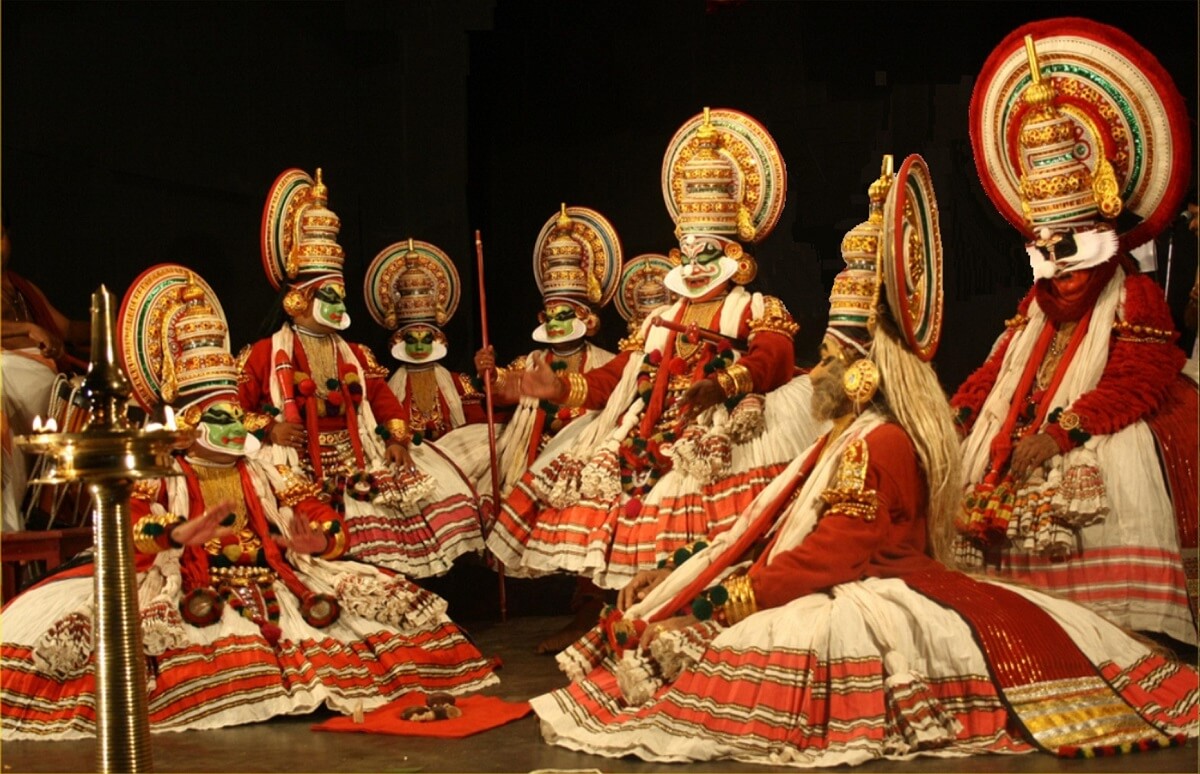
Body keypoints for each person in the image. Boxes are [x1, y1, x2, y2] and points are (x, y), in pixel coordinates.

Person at [530, 154, 1198, 767]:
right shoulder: (844, 438)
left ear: (863, 372)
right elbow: (772, 525)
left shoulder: (877, 443)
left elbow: (832, 554)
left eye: (830, 357)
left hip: (869, 587)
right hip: (835, 576)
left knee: (756, 653)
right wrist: (689, 569)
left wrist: (720, 604)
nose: (816, 371)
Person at [0, 264, 496, 739]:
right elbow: (128, 532)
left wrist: (321, 539)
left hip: (277, 574)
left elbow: (319, 515)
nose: (238, 427)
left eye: (238, 416)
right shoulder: (163, 475)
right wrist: (174, 534)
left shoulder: (266, 468)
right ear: (189, 424)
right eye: (224, 418)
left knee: (381, 626)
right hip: (192, 578)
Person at [485, 109, 818, 595]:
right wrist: (557, 388)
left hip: (723, 430)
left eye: (708, 253)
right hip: (652, 432)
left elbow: (774, 358)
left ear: (735, 256)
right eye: (688, 253)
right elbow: (614, 380)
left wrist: (723, 384)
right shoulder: (658, 322)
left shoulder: (757, 307)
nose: (695, 265)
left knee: (726, 539)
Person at [956, 20, 1197, 647]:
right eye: (1044, 249)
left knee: (1118, 460)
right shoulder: (1034, 304)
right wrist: (961, 412)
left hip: (1091, 422)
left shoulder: (1132, 294)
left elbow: (1137, 379)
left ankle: (1115, 625)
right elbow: (1000, 367)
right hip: (1025, 422)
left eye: (1067, 247)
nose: (1057, 265)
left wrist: (1062, 434)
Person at [238, 168, 483, 579]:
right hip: (293, 466)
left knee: (405, 512)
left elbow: (385, 405)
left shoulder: (356, 355)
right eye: (329, 296)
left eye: (341, 296)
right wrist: (270, 429)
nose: (339, 304)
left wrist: (397, 440)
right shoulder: (263, 354)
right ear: (298, 300)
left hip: (357, 457)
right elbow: (233, 413)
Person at [459, 204, 621, 505]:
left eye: (563, 315)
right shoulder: (532, 361)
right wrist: (490, 374)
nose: (554, 323)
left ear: (585, 318)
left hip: (588, 456)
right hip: (535, 456)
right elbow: (505, 390)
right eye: (549, 316)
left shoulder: (607, 362)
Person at [1, 217, 91, 531]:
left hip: (49, 394)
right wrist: (27, 328)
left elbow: (67, 330)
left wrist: (115, 325)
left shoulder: (23, 288)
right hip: (10, 388)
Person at [365, 238, 488, 443]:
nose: (420, 346)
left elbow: (477, 430)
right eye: (412, 340)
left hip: (454, 453)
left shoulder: (459, 383)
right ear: (400, 341)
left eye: (426, 339)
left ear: (437, 339)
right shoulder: (391, 388)